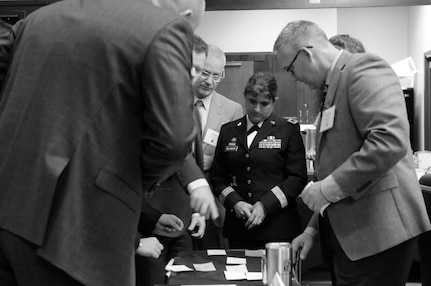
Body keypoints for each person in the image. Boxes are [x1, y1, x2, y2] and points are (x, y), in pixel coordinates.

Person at [0, 0, 219, 285]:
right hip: (78, 231)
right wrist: (131, 186)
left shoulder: (39, 17)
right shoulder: (166, 27)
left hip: (8, 211)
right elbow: (174, 140)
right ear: (184, 16)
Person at [273, 20, 431, 286]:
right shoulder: (330, 88)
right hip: (353, 237)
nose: (293, 77)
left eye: (290, 68)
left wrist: (325, 189)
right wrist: (312, 228)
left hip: (379, 233)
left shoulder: (363, 69)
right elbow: (334, 169)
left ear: (307, 54)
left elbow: (388, 141)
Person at [135, 34, 209, 286]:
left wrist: (198, 211)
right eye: (191, 68)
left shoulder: (191, 106)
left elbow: (193, 161)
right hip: (148, 219)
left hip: (184, 220)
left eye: (200, 69)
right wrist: (147, 217)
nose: (195, 75)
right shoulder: (144, 101)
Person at [210, 72, 307, 250]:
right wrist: (234, 202)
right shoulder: (228, 131)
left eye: (264, 104)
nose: (257, 109)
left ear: (274, 102)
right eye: (252, 101)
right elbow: (217, 177)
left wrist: (265, 205)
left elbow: (297, 178)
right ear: (245, 98)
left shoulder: (287, 130)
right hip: (239, 228)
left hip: (278, 228)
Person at [192, 44, 244, 249]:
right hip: (176, 195)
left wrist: (214, 161)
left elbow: (238, 159)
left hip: (213, 197)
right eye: (205, 73)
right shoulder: (175, 101)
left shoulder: (232, 110)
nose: (209, 81)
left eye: (216, 76)